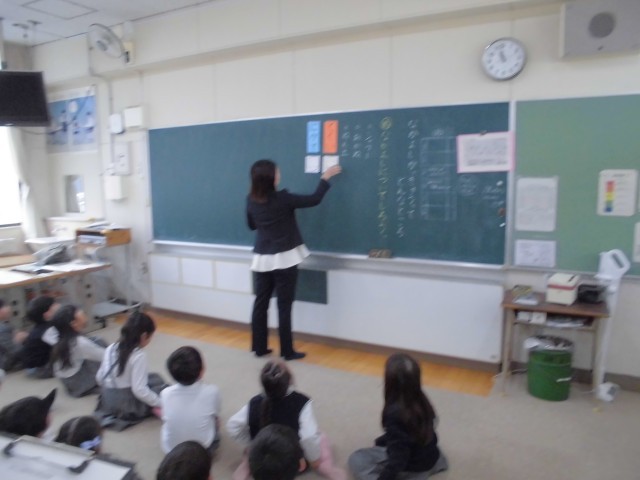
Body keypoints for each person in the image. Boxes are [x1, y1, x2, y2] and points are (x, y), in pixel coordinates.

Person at [247, 160, 342, 360]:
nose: (279, 174)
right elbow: (314, 199)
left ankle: (259, 347)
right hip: (285, 258)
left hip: (262, 258)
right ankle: (287, 351)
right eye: (277, 171)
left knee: (260, 303)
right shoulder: (283, 199)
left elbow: (252, 225)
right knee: (284, 305)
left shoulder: (251, 199)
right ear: (272, 178)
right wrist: (325, 178)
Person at [227, 359, 345, 480]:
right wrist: (314, 459)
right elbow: (309, 437)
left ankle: (248, 463)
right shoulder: (301, 402)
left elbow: (233, 425)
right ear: (290, 380)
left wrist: (251, 443)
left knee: (254, 449)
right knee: (321, 437)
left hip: (262, 460)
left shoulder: (254, 402)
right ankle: (326, 467)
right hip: (291, 464)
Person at [348, 353, 449, 480]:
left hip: (413, 467)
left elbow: (398, 459)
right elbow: (428, 427)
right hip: (432, 457)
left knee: (357, 459)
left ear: (389, 382)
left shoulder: (394, 415)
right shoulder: (422, 399)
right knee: (390, 443)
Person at [95, 310, 167, 431]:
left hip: (107, 402)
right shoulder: (138, 355)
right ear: (144, 336)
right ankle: (155, 409)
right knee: (159, 386)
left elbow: (99, 378)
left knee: (153, 378)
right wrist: (160, 403)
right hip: (127, 407)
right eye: (150, 337)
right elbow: (139, 390)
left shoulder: (110, 348)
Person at [161, 346, 221, 454]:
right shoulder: (212, 391)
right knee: (215, 422)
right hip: (203, 449)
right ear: (202, 370)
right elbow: (215, 414)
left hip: (171, 450)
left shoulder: (165, 393)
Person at [50, 305, 105, 397]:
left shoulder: (62, 337)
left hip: (67, 381)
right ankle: (90, 387)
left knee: (94, 341)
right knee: (100, 343)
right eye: (80, 312)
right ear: (73, 324)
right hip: (78, 383)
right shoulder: (79, 342)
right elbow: (105, 356)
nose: (83, 312)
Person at [21, 295, 60, 378]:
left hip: (35, 367)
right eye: (54, 304)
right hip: (40, 369)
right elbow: (65, 346)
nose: (59, 305)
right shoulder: (48, 330)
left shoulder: (42, 327)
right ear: (47, 314)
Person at [0, 298, 26, 371]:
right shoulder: (3, 329)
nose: (9, 308)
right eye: (6, 306)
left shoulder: (5, 326)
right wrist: (19, 340)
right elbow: (14, 351)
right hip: (6, 367)